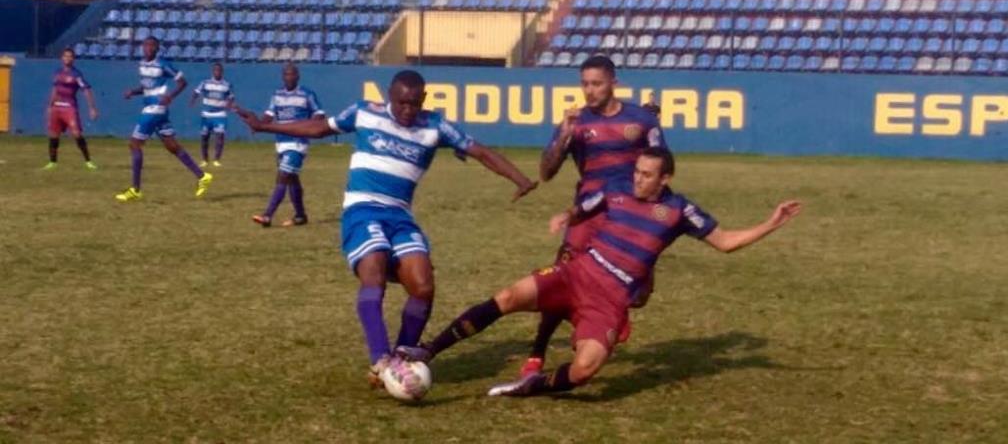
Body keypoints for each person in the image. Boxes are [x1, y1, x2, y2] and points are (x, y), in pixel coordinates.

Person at [397, 147, 802, 397]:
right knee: (508, 297)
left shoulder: (680, 210)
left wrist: (771, 223)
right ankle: (427, 350)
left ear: (666, 178)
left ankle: (531, 387)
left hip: (610, 298)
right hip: (577, 272)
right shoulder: (617, 190)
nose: (638, 179)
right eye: (637, 171)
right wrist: (566, 215)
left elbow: (725, 241)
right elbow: (585, 207)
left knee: (585, 369)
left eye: (647, 175)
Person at [234, 69, 538, 388]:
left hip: (400, 215)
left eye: (414, 103)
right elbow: (320, 127)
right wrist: (265, 126)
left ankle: (402, 356)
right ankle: (381, 361)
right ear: (389, 96)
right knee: (374, 268)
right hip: (362, 209)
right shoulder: (365, 112)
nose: (407, 109)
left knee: (423, 286)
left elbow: (481, 151)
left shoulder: (435, 126)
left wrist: (520, 179)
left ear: (423, 99)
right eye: (401, 102)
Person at [521, 55, 666, 377]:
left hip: (628, 216)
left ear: (614, 83)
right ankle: (537, 353)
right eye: (585, 84)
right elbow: (546, 172)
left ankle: (610, 315)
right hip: (587, 213)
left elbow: (663, 166)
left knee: (639, 295)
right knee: (562, 279)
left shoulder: (641, 120)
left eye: (597, 83)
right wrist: (564, 135)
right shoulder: (577, 122)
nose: (589, 90)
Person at [115, 37, 212, 202]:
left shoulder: (163, 64)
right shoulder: (142, 65)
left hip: (155, 108)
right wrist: (133, 92)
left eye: (152, 46)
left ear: (157, 48)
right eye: (146, 45)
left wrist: (170, 96)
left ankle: (135, 189)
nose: (148, 48)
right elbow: (147, 87)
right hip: (151, 107)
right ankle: (202, 176)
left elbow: (182, 82)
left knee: (134, 144)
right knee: (172, 146)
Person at [250, 63, 324, 228]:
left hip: (298, 142)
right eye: (286, 74)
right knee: (291, 179)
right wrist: (259, 125)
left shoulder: (307, 94)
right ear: (283, 77)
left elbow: (319, 114)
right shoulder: (277, 94)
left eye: (292, 74)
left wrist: (307, 127)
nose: (289, 77)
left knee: (283, 175)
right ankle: (300, 216)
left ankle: (267, 215)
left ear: (297, 76)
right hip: (281, 142)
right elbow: (269, 114)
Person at [43, 47, 99, 170]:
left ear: (73, 59)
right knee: (53, 135)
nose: (67, 58)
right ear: (61, 58)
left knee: (76, 133)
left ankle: (88, 161)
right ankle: (52, 162)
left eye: (70, 56)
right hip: (57, 107)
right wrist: (50, 106)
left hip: (69, 107)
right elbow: (55, 89)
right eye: (65, 56)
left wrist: (92, 108)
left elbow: (86, 90)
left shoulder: (76, 74)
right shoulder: (57, 73)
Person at [189, 62, 234, 168]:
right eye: (215, 70)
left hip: (220, 114)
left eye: (219, 70)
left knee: (220, 136)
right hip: (207, 114)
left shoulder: (227, 85)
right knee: (204, 137)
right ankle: (205, 160)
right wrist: (193, 100)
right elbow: (196, 92)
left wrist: (229, 104)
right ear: (213, 71)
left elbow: (231, 97)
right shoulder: (205, 83)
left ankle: (216, 160)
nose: (217, 72)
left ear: (222, 72)